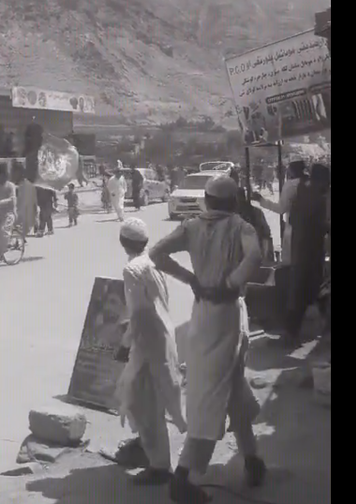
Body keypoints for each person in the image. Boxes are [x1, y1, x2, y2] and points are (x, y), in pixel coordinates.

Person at [148, 175, 266, 503]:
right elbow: (255, 257)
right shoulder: (241, 227)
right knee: (213, 394)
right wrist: (231, 282)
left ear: (207, 199)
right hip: (227, 314)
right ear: (233, 202)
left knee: (229, 387)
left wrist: (191, 279)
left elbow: (157, 253)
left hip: (202, 313)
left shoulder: (191, 227)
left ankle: (252, 458)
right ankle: (183, 477)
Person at [114, 218, 188, 486]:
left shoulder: (131, 269)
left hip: (147, 342)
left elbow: (139, 313)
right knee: (149, 401)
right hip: (161, 337)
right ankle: (155, 456)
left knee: (143, 406)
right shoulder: (152, 263)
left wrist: (126, 344)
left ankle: (159, 466)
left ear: (123, 243)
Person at [283, 163, 330, 348]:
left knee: (301, 291)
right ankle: (320, 332)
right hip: (311, 250)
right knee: (315, 289)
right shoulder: (319, 196)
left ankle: (291, 334)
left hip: (300, 248)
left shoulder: (302, 192)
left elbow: (293, 219)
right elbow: (323, 225)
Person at [252, 160, 305, 266]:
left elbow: (281, 209)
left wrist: (261, 200)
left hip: (294, 229)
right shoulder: (309, 182)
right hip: (312, 229)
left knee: (290, 262)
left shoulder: (290, 186)